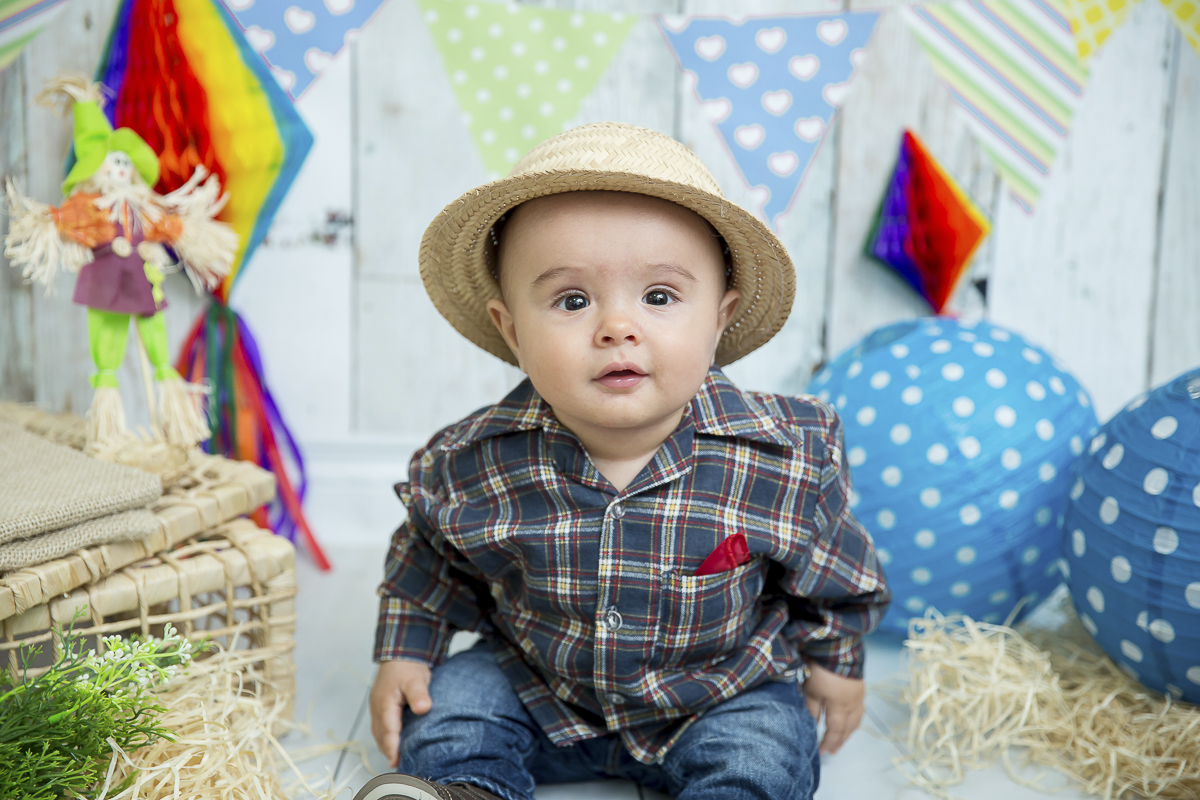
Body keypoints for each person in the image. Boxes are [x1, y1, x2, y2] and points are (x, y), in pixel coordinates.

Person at [356, 122, 890, 800]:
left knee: (766, 746)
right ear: (511, 329)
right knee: (456, 708)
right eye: (572, 300)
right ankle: (467, 789)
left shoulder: (783, 456)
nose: (616, 327)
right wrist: (405, 651)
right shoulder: (474, 462)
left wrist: (835, 662)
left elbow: (835, 577)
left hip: (715, 694)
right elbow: (427, 563)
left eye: (659, 297)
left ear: (719, 319)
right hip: (539, 687)